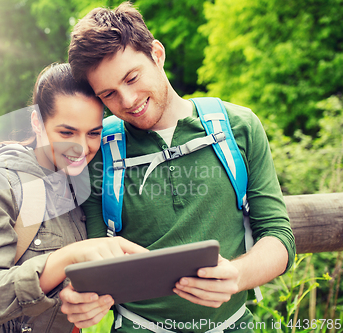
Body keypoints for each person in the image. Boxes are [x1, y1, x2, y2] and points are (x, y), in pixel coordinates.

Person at [59, 3, 296, 332]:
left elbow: (279, 237)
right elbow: (96, 260)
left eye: (132, 78)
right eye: (109, 94)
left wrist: (237, 275)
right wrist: (79, 298)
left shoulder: (239, 127)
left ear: (157, 53)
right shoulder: (99, 151)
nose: (127, 101)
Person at [0, 63, 146, 333]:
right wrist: (66, 258)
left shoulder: (82, 181)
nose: (80, 148)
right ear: (37, 123)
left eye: (93, 133)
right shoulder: (1, 184)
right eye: (66, 133)